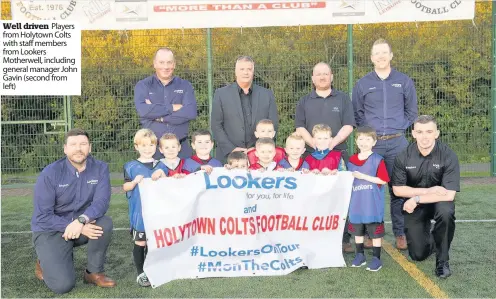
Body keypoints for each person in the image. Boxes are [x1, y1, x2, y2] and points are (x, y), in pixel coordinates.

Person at [352, 38, 418, 250]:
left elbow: (412, 111)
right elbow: (357, 113)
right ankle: (372, 233)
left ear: (391, 55)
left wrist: (400, 127)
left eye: (384, 53)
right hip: (372, 146)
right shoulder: (362, 83)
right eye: (376, 53)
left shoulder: (404, 81)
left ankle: (400, 233)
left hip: (398, 143)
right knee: (370, 190)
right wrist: (369, 137)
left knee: (398, 189)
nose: (380, 56)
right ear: (371, 58)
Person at [31, 129, 116, 294]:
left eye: (83, 144)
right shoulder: (50, 173)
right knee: (62, 286)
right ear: (65, 149)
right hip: (51, 229)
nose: (79, 149)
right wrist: (73, 225)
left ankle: (93, 273)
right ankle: (44, 261)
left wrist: (81, 221)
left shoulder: (100, 168)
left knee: (104, 223)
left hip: (80, 223)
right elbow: (43, 216)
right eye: (73, 145)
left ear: (90, 148)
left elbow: (101, 202)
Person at [392, 115, 459, 279]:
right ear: (413, 133)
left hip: (438, 202)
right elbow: (398, 190)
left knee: (446, 212)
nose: (424, 136)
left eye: (429, 131)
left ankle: (442, 262)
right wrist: (429, 191)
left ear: (437, 133)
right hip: (417, 206)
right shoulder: (403, 156)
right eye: (420, 132)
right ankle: (434, 239)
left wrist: (416, 198)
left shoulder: (448, 155)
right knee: (417, 255)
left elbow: (449, 194)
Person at [123, 129, 169, 287]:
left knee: (154, 242)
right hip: (139, 213)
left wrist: (162, 175)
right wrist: (135, 182)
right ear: (136, 146)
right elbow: (126, 187)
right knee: (140, 242)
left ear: (156, 147)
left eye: (151, 145)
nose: (148, 148)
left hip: (157, 212)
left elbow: (170, 186)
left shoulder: (162, 165)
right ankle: (140, 273)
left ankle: (151, 269)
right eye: (144, 145)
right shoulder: (130, 166)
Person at [211, 55, 279, 162]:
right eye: (242, 69)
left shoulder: (267, 94)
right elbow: (216, 125)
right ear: (236, 72)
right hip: (229, 156)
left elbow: (273, 124)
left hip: (259, 156)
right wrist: (232, 149)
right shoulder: (221, 94)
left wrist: (258, 148)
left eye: (249, 69)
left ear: (253, 72)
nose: (245, 72)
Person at [134, 47, 198, 159]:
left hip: (181, 149)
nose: (165, 66)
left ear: (174, 64)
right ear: (154, 64)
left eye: (169, 62)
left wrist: (160, 117)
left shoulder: (185, 85)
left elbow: (190, 112)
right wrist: (172, 107)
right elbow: (143, 111)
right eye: (161, 62)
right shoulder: (143, 85)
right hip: (152, 152)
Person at [347, 126, 390, 272]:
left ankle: (377, 258)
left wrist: (363, 176)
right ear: (356, 141)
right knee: (357, 232)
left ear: (374, 142)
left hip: (372, 204)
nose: (363, 142)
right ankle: (360, 255)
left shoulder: (377, 160)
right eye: (360, 139)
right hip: (356, 203)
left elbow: (383, 180)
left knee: (374, 233)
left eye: (367, 139)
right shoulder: (351, 161)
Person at [295, 62, 355, 162]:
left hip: (338, 153)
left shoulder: (343, 99)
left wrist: (332, 144)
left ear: (331, 77)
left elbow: (348, 126)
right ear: (313, 79)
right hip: (310, 155)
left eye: (325, 74)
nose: (322, 77)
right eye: (318, 74)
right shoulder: (304, 101)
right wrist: (314, 144)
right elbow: (300, 127)